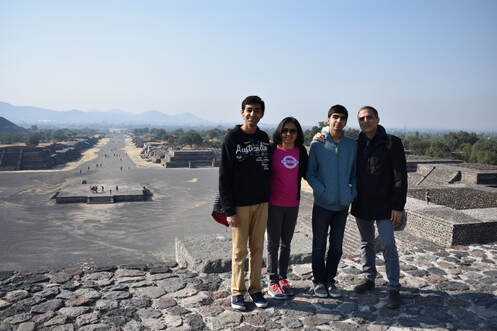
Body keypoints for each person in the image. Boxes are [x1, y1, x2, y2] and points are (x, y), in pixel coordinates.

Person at [351, 106, 407, 309]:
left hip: (385, 204)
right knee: (366, 243)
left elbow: (400, 176)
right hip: (363, 203)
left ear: (377, 119)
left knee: (388, 245)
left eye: (369, 117)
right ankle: (369, 278)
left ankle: (393, 287)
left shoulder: (392, 143)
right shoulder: (356, 144)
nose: (365, 121)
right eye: (361, 119)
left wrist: (398, 206)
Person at [219, 95, 271, 310]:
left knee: (258, 248)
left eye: (257, 110)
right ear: (242, 112)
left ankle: (256, 289)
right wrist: (229, 210)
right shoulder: (232, 138)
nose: (252, 114)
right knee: (239, 251)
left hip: (261, 202)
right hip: (240, 204)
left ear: (262, 114)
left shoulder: (263, 137)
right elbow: (224, 176)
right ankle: (237, 292)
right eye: (249, 110)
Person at [307, 105, 357, 298]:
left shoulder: (352, 145)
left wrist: (351, 193)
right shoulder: (317, 144)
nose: (338, 121)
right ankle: (318, 281)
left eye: (342, 118)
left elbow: (354, 175)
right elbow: (310, 173)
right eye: (335, 117)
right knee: (319, 244)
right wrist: (322, 191)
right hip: (322, 204)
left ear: (346, 122)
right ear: (328, 119)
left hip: (342, 205)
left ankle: (330, 280)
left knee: (337, 246)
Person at [266, 117, 308, 300]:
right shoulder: (271, 150)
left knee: (286, 244)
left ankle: (283, 278)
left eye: (292, 131)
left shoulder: (301, 152)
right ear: (279, 132)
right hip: (274, 204)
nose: (288, 134)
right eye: (285, 130)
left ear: (297, 133)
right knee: (273, 243)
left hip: (293, 204)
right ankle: (272, 280)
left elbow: (308, 172)